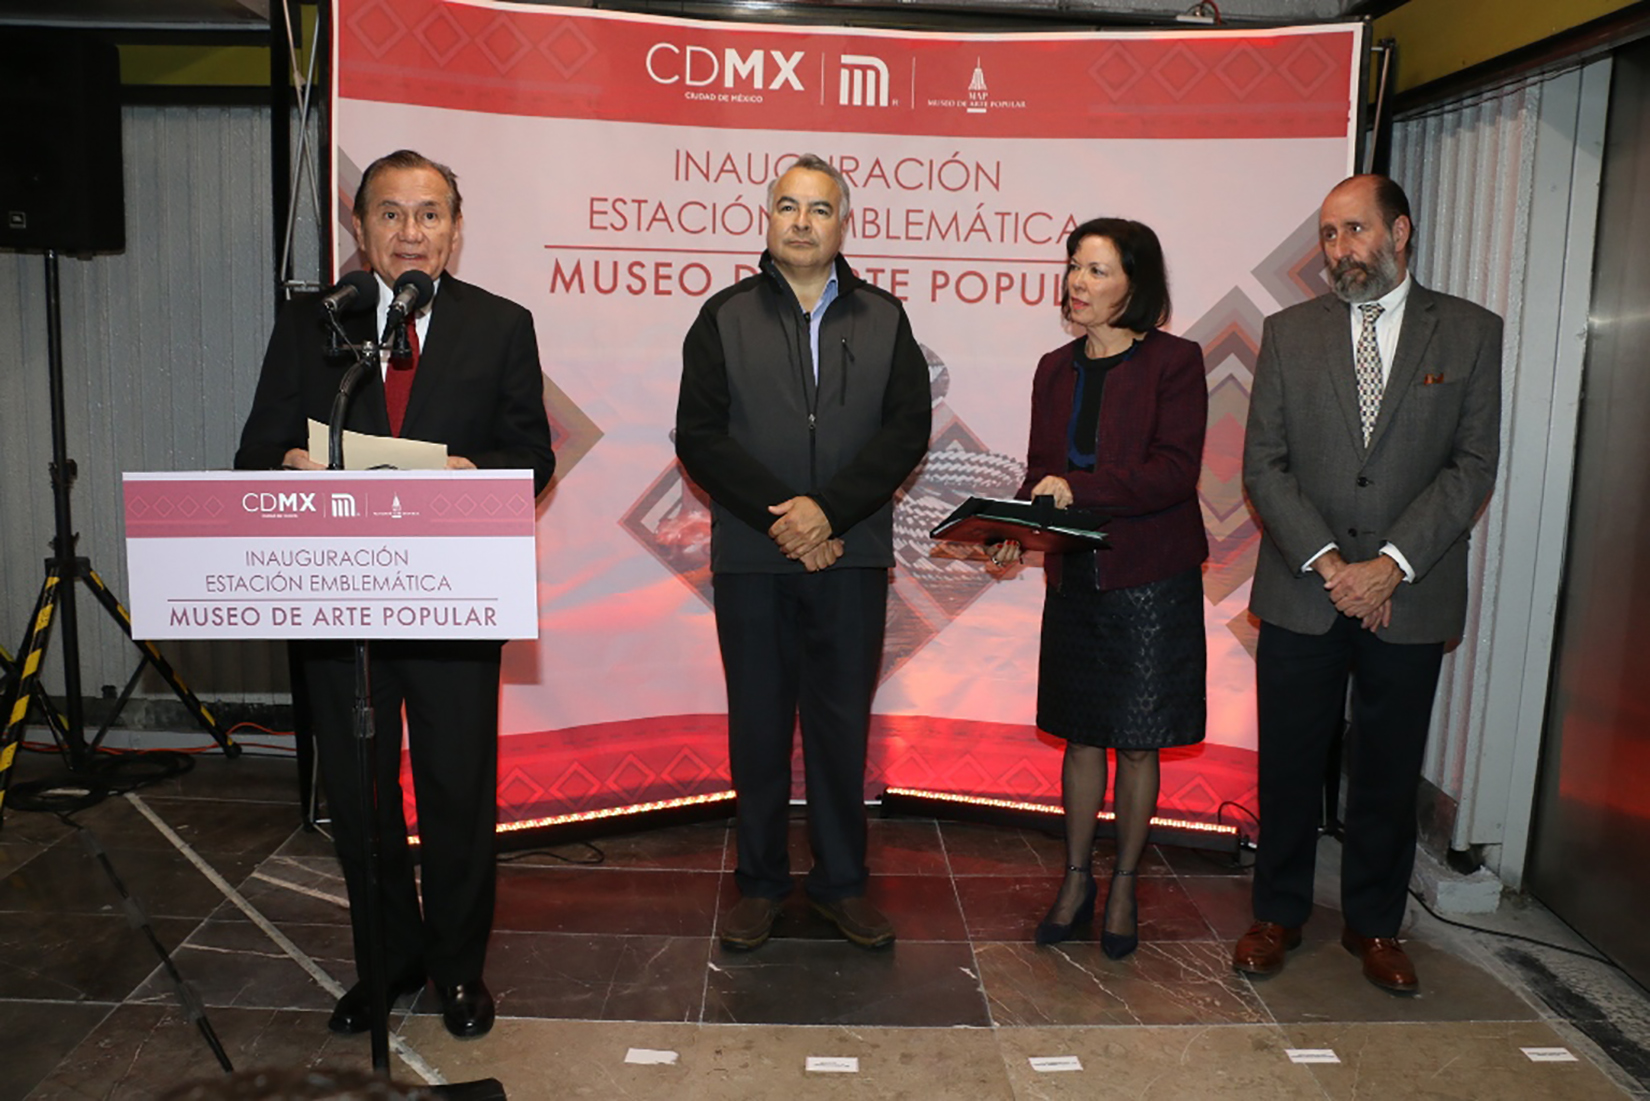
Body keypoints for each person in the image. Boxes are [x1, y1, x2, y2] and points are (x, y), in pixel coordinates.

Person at [236, 149, 556, 1037]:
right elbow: (254, 453)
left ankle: (458, 969)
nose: (410, 232)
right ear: (360, 229)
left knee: (457, 791)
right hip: (340, 601)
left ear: (455, 232)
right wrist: (291, 464)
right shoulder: (312, 325)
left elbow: (534, 454)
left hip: (455, 595)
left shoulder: (502, 325)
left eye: (429, 215)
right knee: (360, 793)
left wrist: (470, 471)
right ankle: (388, 962)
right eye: (390, 214)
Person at [1235, 174, 1501, 993]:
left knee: (1387, 767)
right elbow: (1264, 464)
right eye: (1328, 236)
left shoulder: (1469, 332)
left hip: (1409, 593)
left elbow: (1471, 466)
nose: (1339, 251)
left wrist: (1390, 565)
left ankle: (1374, 925)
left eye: (1354, 231)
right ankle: (1276, 912)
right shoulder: (1287, 333)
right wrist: (1330, 565)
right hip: (1301, 588)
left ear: (1401, 231)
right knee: (1287, 761)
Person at [675, 154, 930, 952]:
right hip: (754, 554)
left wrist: (829, 514)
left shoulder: (886, 316)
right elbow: (700, 435)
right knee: (757, 725)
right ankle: (758, 882)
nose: (802, 221)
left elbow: (906, 432)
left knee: (839, 726)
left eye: (819, 209)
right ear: (768, 217)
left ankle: (841, 883)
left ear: (842, 223)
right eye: (787, 205)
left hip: (850, 555)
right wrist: (785, 518)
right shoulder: (722, 316)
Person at [990, 218, 1208, 959]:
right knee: (1080, 735)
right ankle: (1076, 878)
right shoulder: (1055, 367)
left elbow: (1173, 471)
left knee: (1138, 744)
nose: (1078, 283)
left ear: (1135, 284)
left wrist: (1075, 488)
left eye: (1097, 270)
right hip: (1077, 577)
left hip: (1149, 577)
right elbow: (1039, 472)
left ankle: (1123, 884)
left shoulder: (1176, 362)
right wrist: (1010, 530)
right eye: (1074, 267)